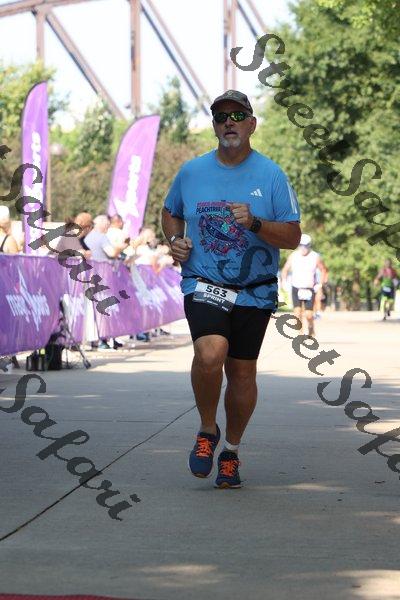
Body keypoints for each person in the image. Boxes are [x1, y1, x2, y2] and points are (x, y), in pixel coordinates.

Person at [161, 89, 301, 489]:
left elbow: (292, 236)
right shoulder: (192, 172)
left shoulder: (271, 175)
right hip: (204, 282)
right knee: (210, 353)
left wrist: (256, 223)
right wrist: (175, 240)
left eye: (237, 116)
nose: (229, 123)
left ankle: (231, 452)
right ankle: (207, 430)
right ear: (214, 126)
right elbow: (170, 212)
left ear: (251, 124)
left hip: (255, 289)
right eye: (221, 117)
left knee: (241, 373)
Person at [281, 234, 327, 336]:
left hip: (309, 288)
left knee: (308, 315)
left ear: (309, 245)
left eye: (306, 245)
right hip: (296, 287)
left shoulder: (315, 256)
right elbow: (285, 270)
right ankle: (300, 334)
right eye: (301, 245)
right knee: (297, 313)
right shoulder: (293, 256)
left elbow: (323, 270)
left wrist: (320, 285)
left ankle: (311, 327)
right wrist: (284, 282)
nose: (303, 248)